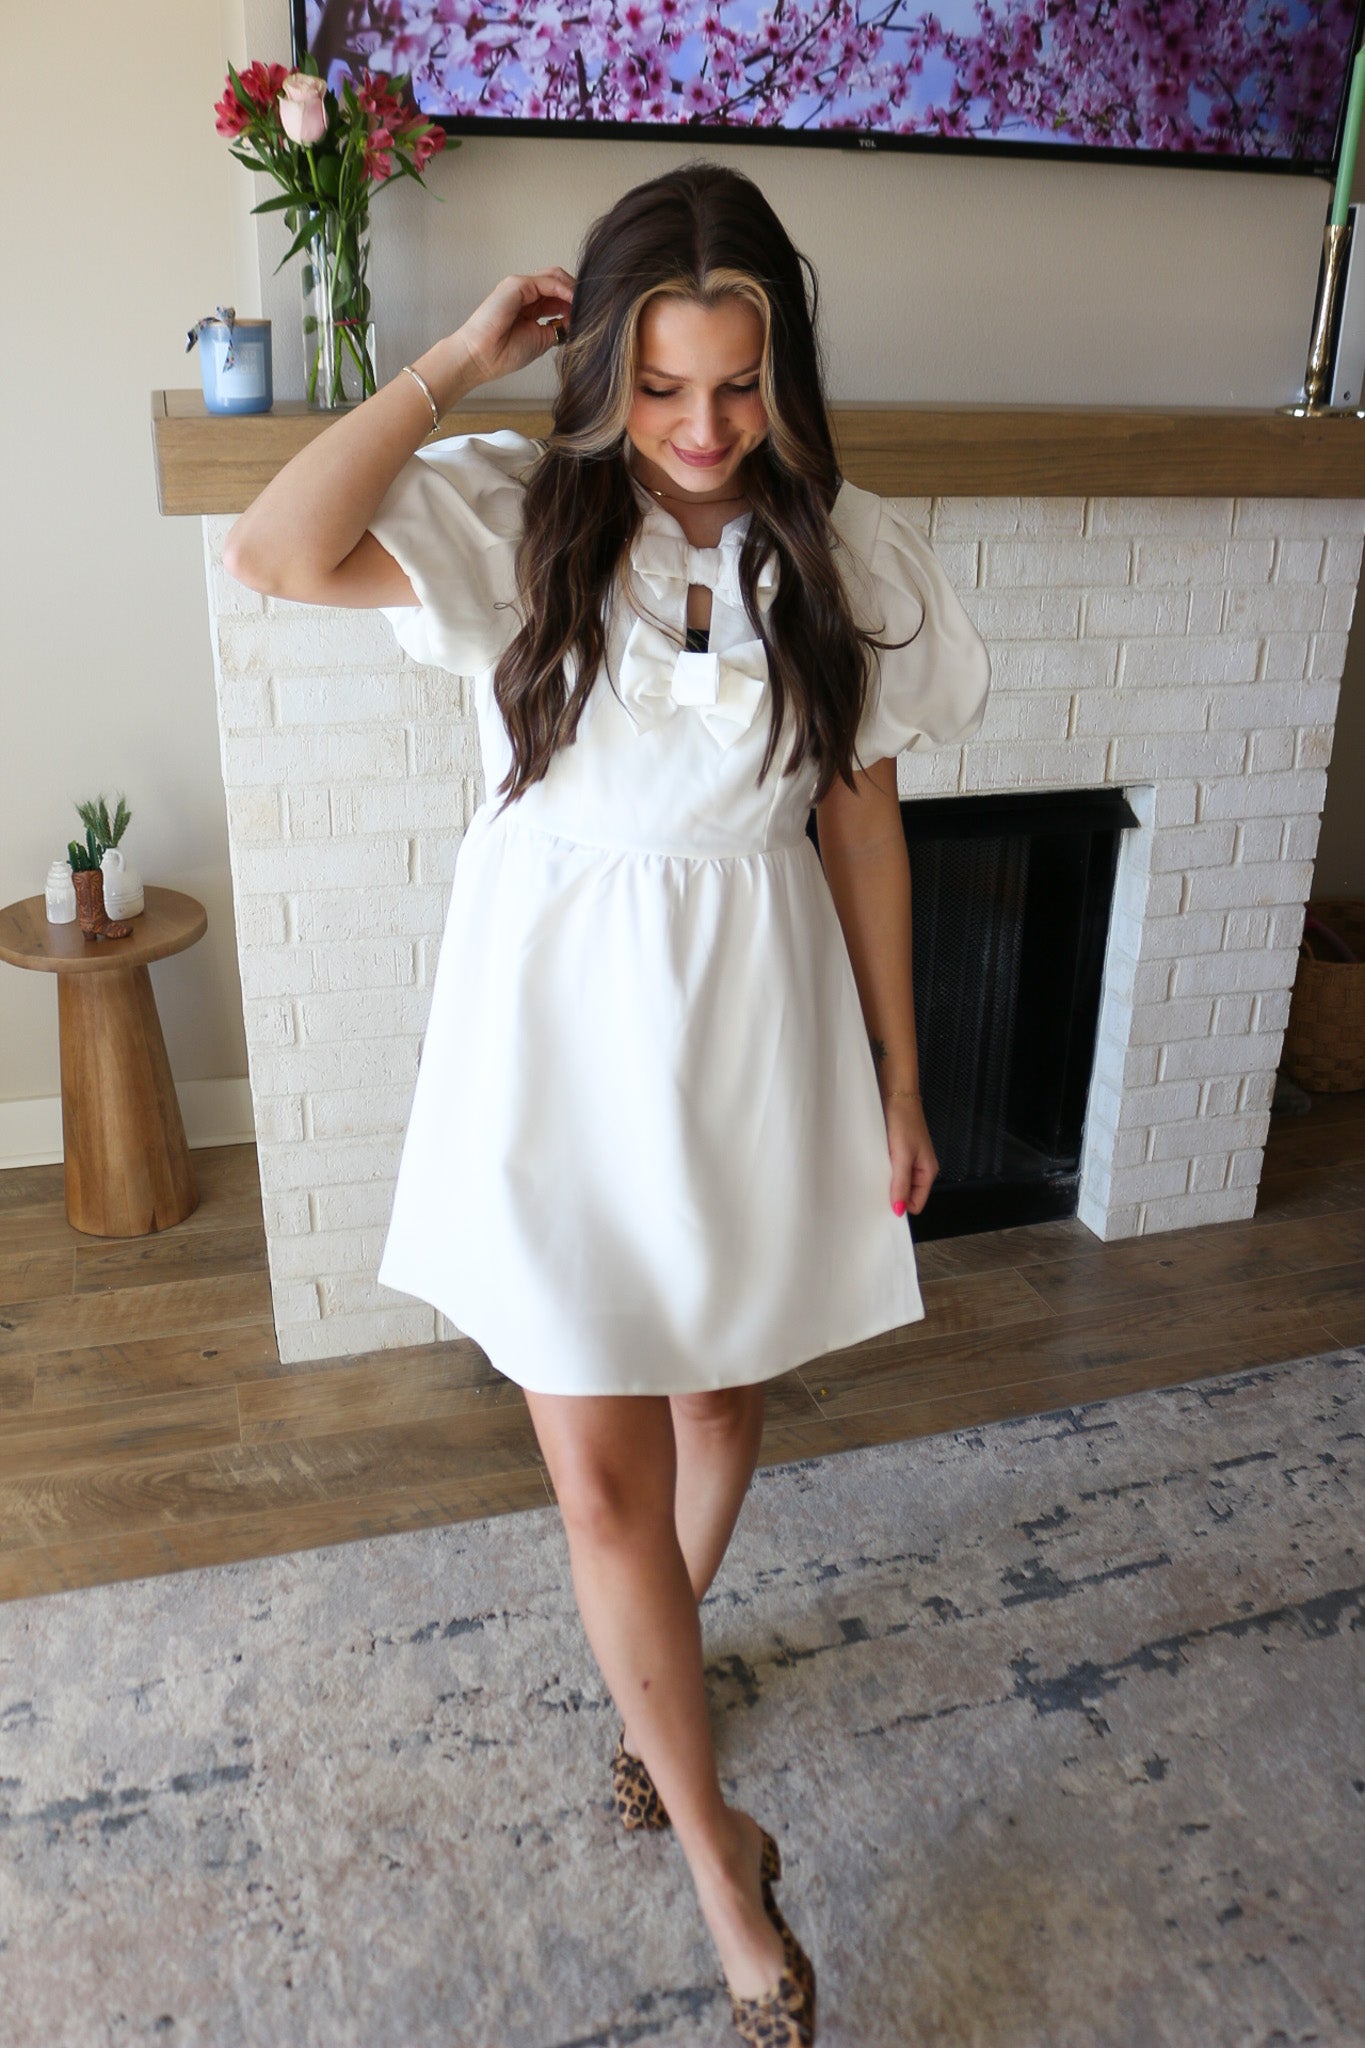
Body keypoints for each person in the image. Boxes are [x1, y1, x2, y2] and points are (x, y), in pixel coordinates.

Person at [224, 160, 990, 2047]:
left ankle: (652, 1693)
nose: (701, 429)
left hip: (753, 1023)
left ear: (785, 373)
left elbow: (861, 828)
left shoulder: (843, 551)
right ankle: (722, 1865)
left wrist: (901, 1072)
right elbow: (275, 549)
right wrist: (453, 358)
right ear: (599, 376)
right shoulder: (514, 511)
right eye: (657, 387)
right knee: (596, 1473)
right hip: (550, 1042)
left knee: (718, 1398)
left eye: (736, 385)